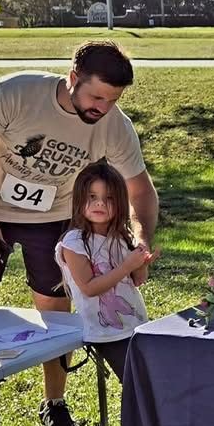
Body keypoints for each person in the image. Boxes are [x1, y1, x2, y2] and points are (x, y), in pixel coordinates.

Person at [0, 41, 159, 426]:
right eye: (96, 96)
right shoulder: (16, 93)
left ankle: (54, 402)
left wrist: (141, 239)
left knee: (55, 314)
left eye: (112, 99)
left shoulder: (114, 125)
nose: (102, 108)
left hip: (54, 220)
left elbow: (141, 189)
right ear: (72, 79)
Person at [56, 161, 156, 382]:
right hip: (105, 331)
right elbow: (89, 288)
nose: (100, 203)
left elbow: (137, 281)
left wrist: (141, 265)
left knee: (151, 379)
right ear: (79, 199)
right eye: (92, 196)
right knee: (136, 383)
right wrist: (126, 266)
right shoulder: (74, 242)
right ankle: (137, 417)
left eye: (109, 198)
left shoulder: (120, 236)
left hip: (135, 324)